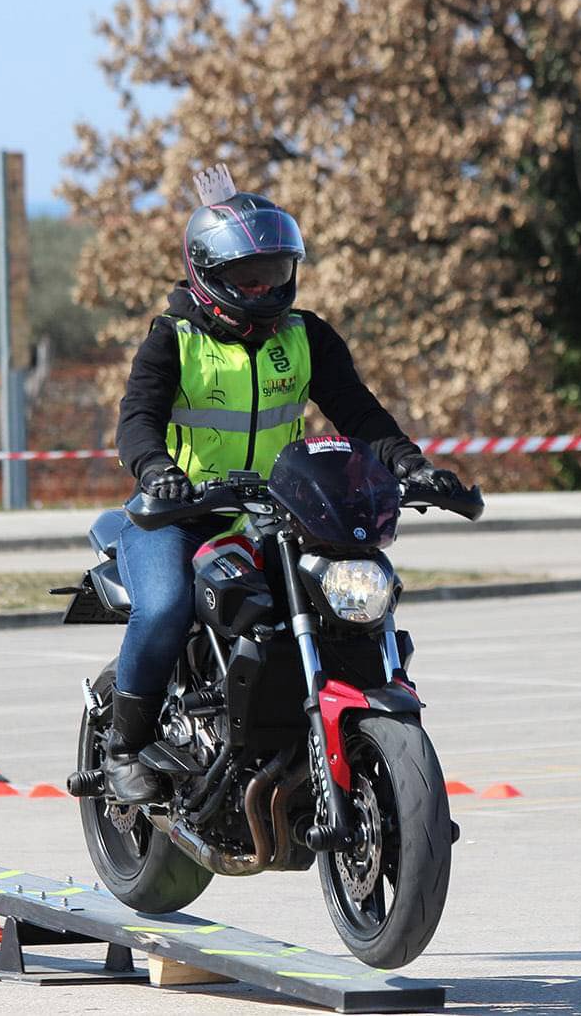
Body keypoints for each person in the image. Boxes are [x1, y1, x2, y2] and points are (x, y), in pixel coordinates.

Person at [107, 187, 463, 802]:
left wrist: (409, 463)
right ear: (209, 274)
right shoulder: (174, 338)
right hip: (182, 514)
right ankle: (123, 745)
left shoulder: (306, 336)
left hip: (278, 513)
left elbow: (358, 410)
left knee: (352, 597)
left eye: (273, 274)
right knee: (164, 607)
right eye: (246, 277)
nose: (263, 290)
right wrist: (156, 470)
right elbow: (137, 419)